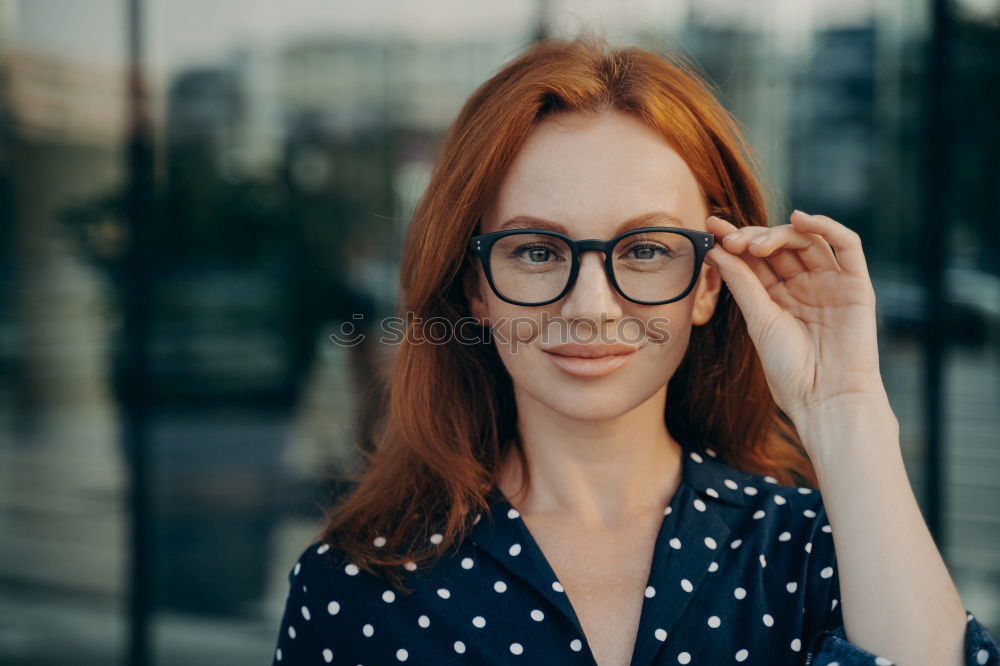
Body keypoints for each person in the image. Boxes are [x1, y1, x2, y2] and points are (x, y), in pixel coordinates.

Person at [270, 35, 999, 665]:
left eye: (646, 248)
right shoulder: (357, 589)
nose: (590, 307)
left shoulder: (817, 554)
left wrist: (847, 409)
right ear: (475, 290)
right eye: (535, 250)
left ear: (711, 283)